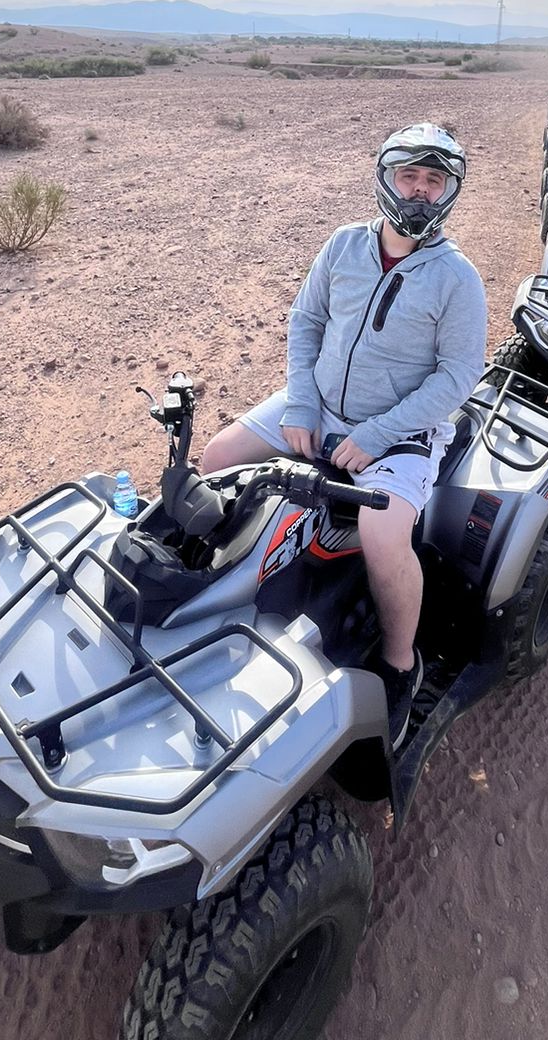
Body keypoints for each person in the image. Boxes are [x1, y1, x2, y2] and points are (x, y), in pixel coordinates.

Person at [200, 123, 487, 748]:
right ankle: (212, 593)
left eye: (433, 181)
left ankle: (400, 664)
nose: (419, 191)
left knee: (384, 535)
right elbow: (307, 320)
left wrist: (379, 434)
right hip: (318, 403)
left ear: (449, 192)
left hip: (402, 429)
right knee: (218, 458)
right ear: (386, 179)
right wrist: (303, 404)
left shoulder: (457, 278)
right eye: (408, 176)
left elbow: (459, 373)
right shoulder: (343, 245)